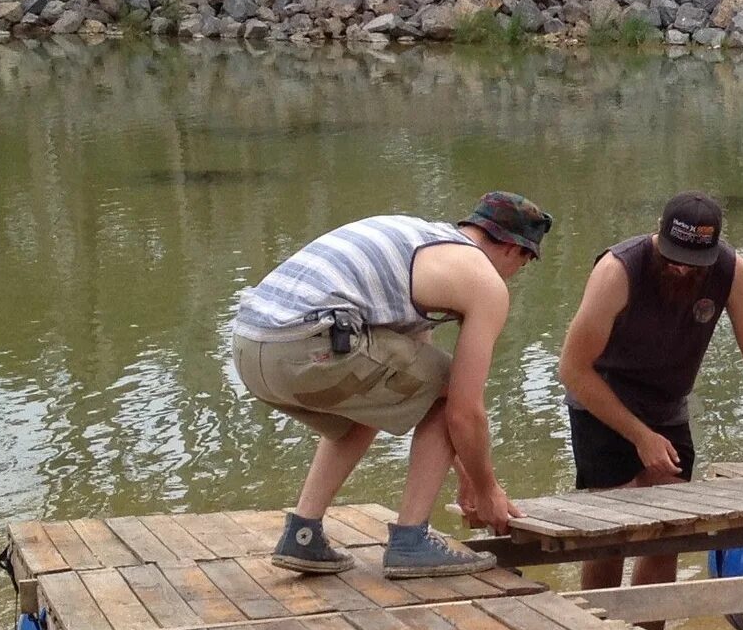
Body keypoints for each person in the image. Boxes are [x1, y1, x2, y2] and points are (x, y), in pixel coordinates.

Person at [229, 192, 552, 577]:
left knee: (375, 398)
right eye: (525, 264)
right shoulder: (483, 282)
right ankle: (410, 540)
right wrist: (487, 491)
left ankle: (302, 534)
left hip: (249, 349)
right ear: (516, 251)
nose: (515, 274)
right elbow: (463, 409)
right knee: (449, 387)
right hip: (306, 346)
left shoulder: (422, 246)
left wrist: (467, 471)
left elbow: (407, 377)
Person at [557, 192, 743, 601]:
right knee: (611, 530)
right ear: (659, 233)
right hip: (601, 400)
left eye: (692, 263)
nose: (680, 269)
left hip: (667, 405)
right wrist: (639, 436)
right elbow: (572, 369)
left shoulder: (732, 272)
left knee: (669, 529)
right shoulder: (617, 271)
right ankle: (597, 628)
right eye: (672, 258)